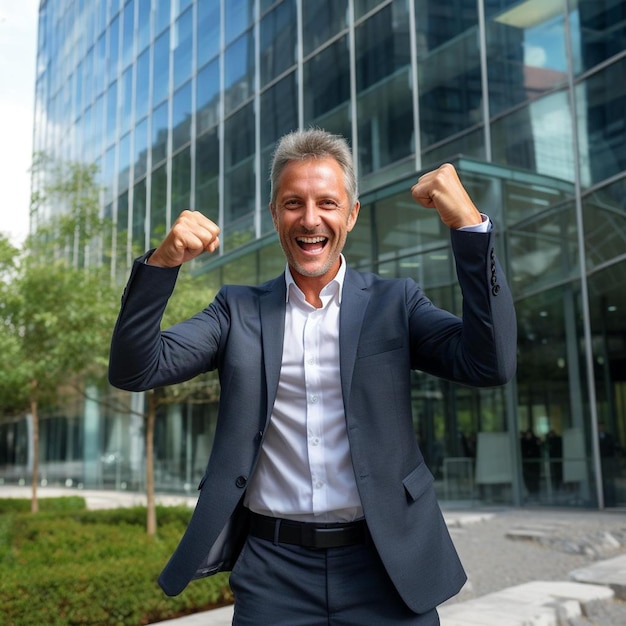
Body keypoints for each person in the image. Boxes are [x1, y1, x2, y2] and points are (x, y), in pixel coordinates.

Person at [109, 128, 517, 624]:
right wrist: (162, 263)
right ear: (274, 214)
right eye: (292, 203)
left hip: (386, 565)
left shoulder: (396, 303)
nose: (309, 219)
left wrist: (470, 230)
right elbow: (135, 368)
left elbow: (490, 363)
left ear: (351, 214)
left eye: (327, 202)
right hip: (273, 573)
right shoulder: (236, 311)